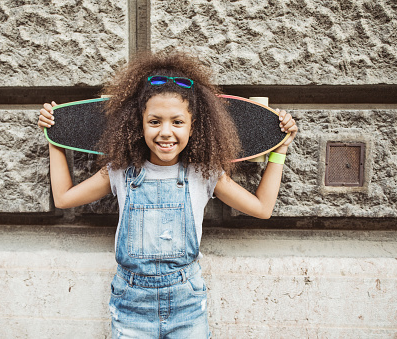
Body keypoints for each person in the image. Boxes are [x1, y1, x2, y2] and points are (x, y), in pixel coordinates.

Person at [37, 52, 297, 338]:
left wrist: (279, 151)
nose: (165, 132)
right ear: (139, 123)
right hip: (131, 303)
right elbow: (62, 198)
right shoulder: (121, 172)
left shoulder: (204, 174)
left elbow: (261, 208)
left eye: (177, 122)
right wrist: (55, 139)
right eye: (154, 121)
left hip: (187, 302)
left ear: (193, 126)